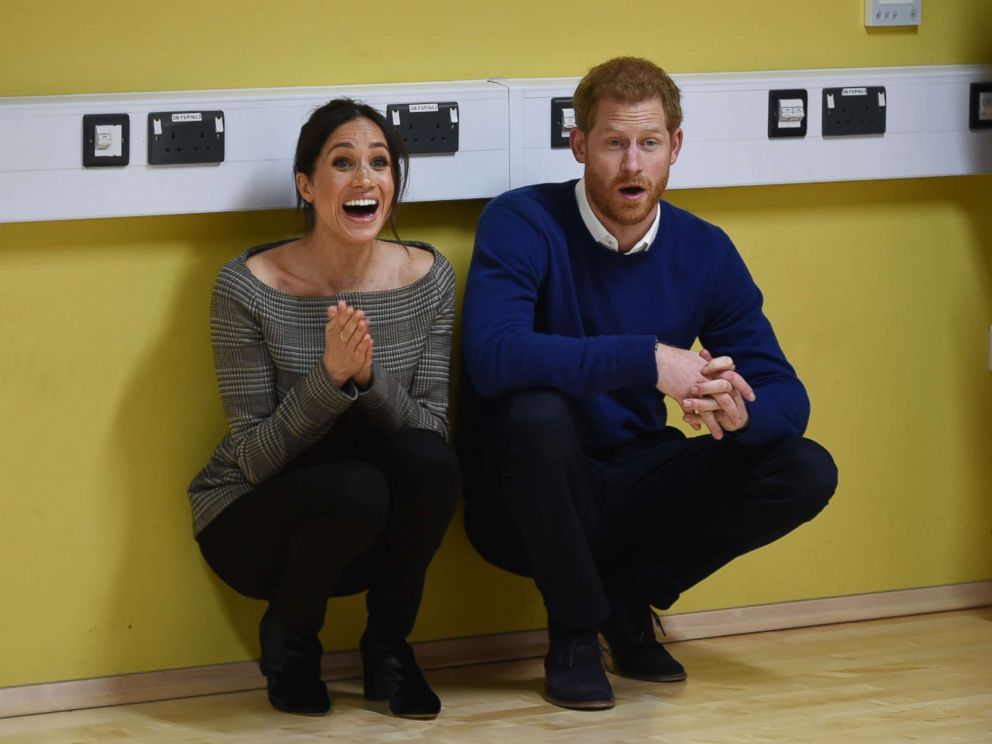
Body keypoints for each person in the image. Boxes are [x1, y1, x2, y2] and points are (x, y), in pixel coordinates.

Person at [459, 57, 838, 711]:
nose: (632, 165)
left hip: (635, 479)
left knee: (804, 467)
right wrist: (649, 360)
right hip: (525, 497)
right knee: (536, 415)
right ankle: (575, 632)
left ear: (675, 148)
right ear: (579, 145)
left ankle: (626, 597)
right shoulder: (521, 221)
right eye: (613, 143)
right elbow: (494, 356)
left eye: (649, 143)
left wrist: (740, 412)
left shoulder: (704, 250)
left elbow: (785, 393)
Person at [187, 98, 459, 719]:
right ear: (307, 186)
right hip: (253, 520)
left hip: (369, 521)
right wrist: (330, 377)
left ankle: (388, 651)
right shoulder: (247, 286)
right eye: (343, 162)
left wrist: (367, 376)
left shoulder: (429, 278)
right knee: (356, 486)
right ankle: (290, 642)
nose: (365, 179)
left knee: (429, 461)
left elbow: (435, 434)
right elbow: (253, 457)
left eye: (379, 163)